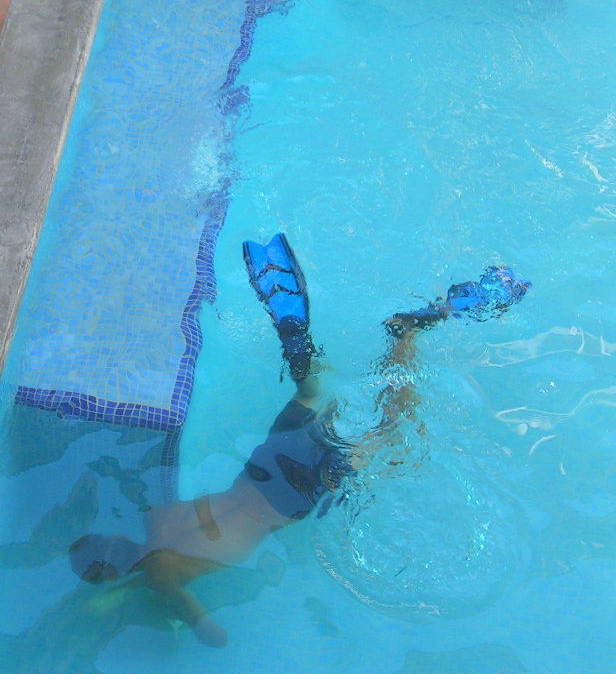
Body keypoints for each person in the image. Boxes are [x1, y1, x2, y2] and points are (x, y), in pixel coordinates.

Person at [69, 234, 530, 647]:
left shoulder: (162, 581)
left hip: (294, 496)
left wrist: (135, 607)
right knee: (311, 394)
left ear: (110, 577)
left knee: (390, 432)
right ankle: (295, 335)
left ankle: (406, 333)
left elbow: (216, 638)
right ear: (111, 536)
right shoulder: (155, 518)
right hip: (264, 461)